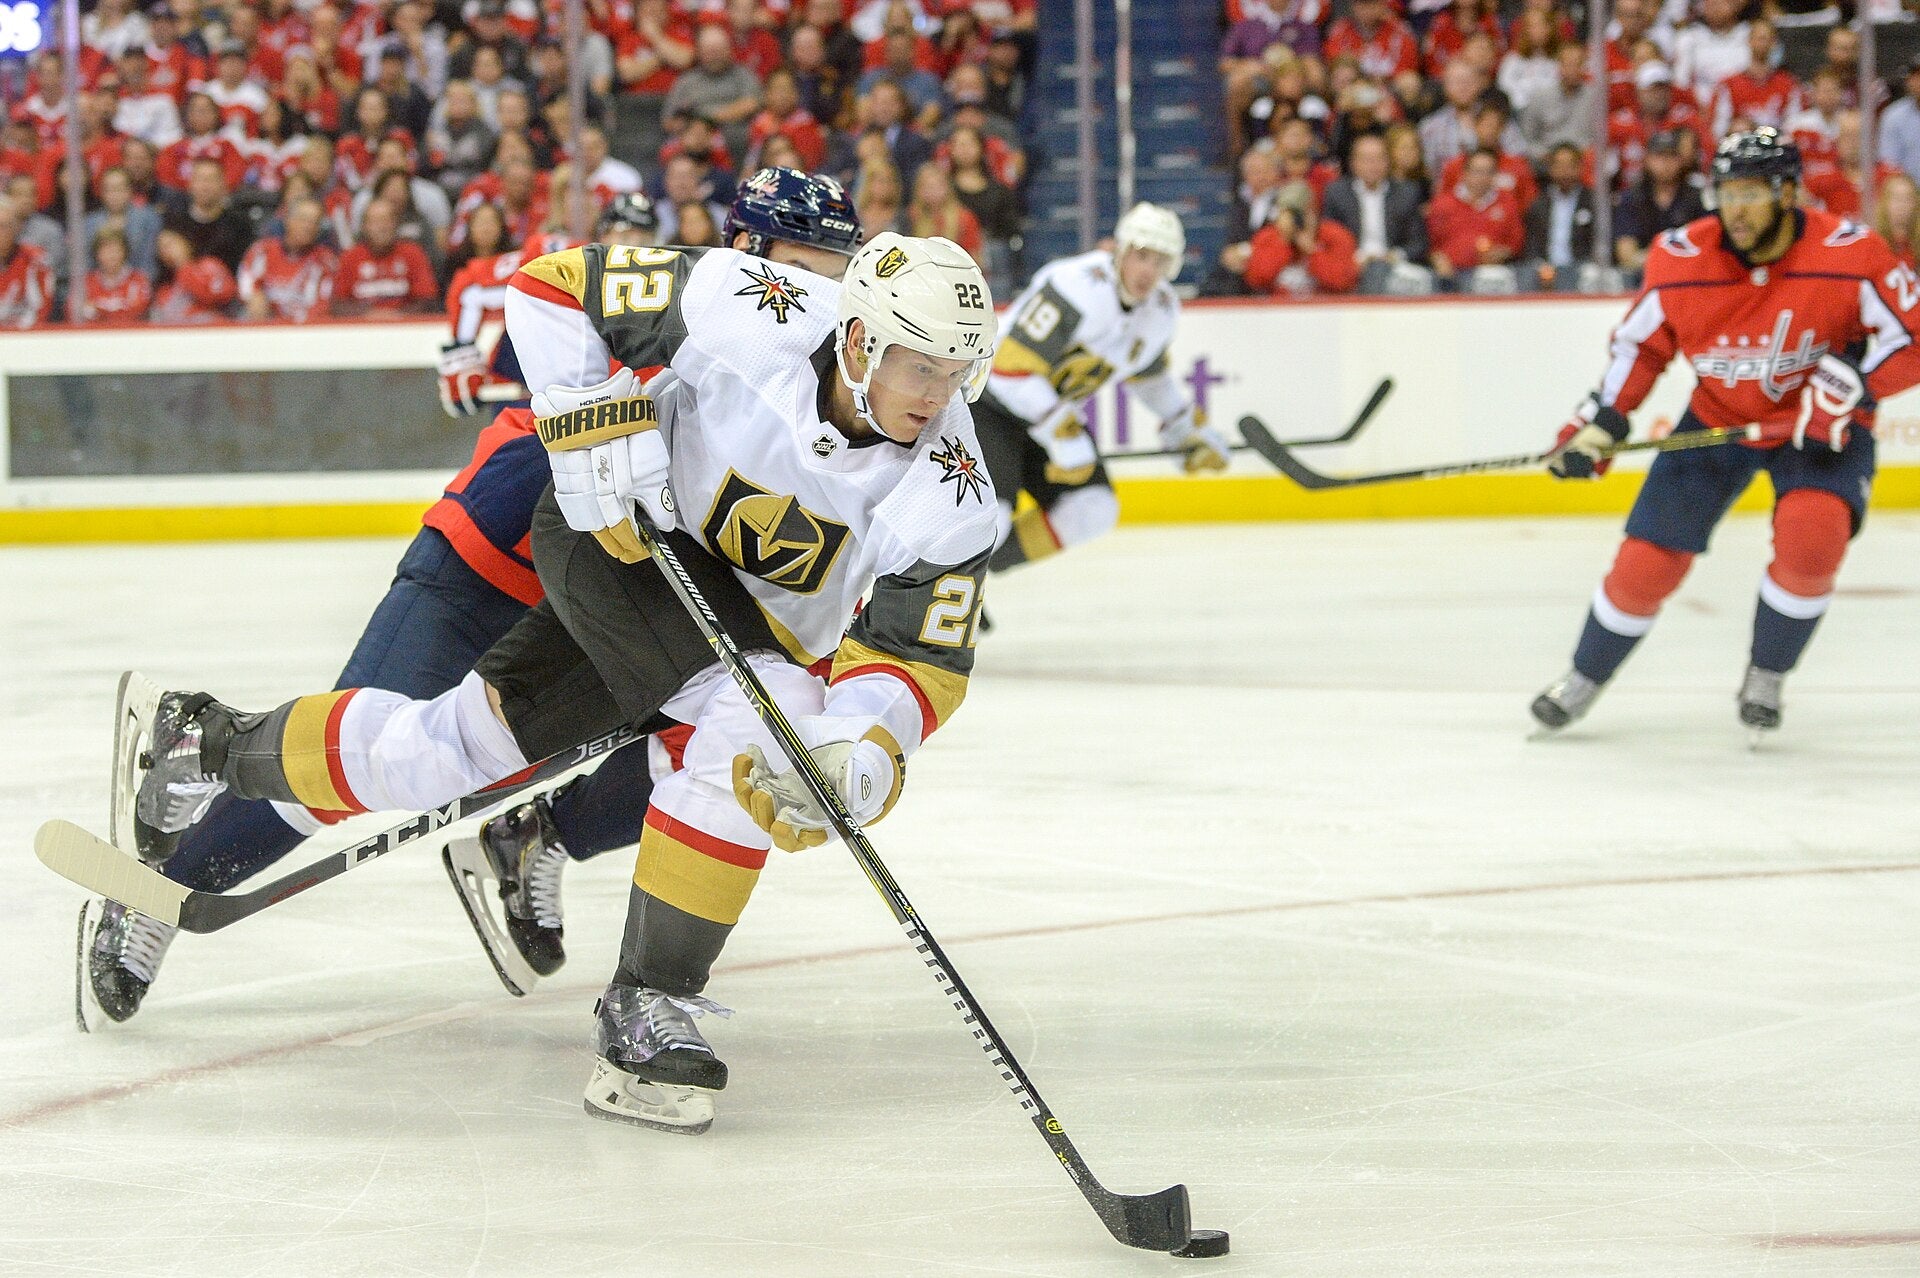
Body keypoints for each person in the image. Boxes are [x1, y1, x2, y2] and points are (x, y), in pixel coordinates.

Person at [125, 230, 996, 1138]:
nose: (937, 397)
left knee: (445, 755)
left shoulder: (954, 491)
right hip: (617, 542)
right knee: (760, 716)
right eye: (919, 366)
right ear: (857, 339)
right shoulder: (750, 304)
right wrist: (583, 424)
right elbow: (552, 284)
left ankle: (207, 743)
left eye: (956, 373)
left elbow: (916, 661)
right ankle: (646, 1007)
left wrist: (860, 751)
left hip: (734, 624)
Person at [79, 173, 864, 1027]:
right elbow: (521, 345)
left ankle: (538, 836)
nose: (825, 292)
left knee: (718, 746)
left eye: (837, 270)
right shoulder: (696, 299)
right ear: (747, 251)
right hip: (500, 558)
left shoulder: (821, 360)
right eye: (806, 266)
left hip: (631, 597)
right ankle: (161, 877)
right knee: (363, 755)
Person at [1530, 129, 1920, 738]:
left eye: (1752, 193)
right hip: (1717, 420)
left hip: (1814, 426)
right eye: (1726, 192)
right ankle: (1583, 678)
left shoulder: (1851, 253)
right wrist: (1602, 421)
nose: (1734, 209)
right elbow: (1641, 346)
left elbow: (1912, 337)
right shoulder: (1680, 256)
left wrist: (1860, 385)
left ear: (1788, 193)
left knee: (1811, 540)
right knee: (1645, 563)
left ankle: (1767, 674)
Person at [971, 203, 1229, 573]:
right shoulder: (1075, 285)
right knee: (991, 520)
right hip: (988, 405)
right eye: (1141, 256)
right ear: (1120, 250)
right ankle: (948, 583)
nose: (1148, 271)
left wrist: (1185, 429)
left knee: (1093, 508)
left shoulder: (1160, 310)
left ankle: (976, 577)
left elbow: (1149, 380)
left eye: (1160, 262)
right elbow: (1009, 367)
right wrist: (1062, 433)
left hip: (1045, 416)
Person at [237, 197, 338, 322]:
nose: (308, 226)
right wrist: (253, 296)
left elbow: (321, 305)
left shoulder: (325, 261)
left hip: (302, 331)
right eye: (303, 219)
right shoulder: (262, 251)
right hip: (264, 327)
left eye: (315, 222)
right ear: (288, 220)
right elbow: (246, 284)